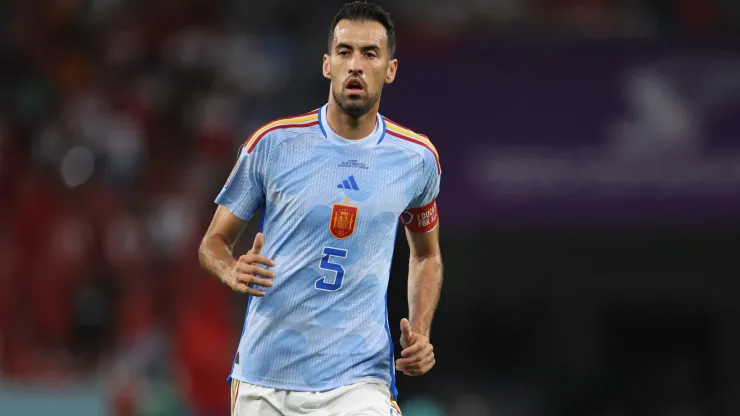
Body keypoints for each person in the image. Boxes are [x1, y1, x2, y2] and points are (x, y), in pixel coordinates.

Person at [198, 2, 443, 414]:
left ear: (391, 68)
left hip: (358, 379)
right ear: (327, 65)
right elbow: (213, 242)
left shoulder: (416, 159)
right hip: (266, 378)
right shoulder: (273, 144)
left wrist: (420, 331)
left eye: (370, 54)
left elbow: (427, 254)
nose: (356, 65)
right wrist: (230, 268)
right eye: (345, 52)